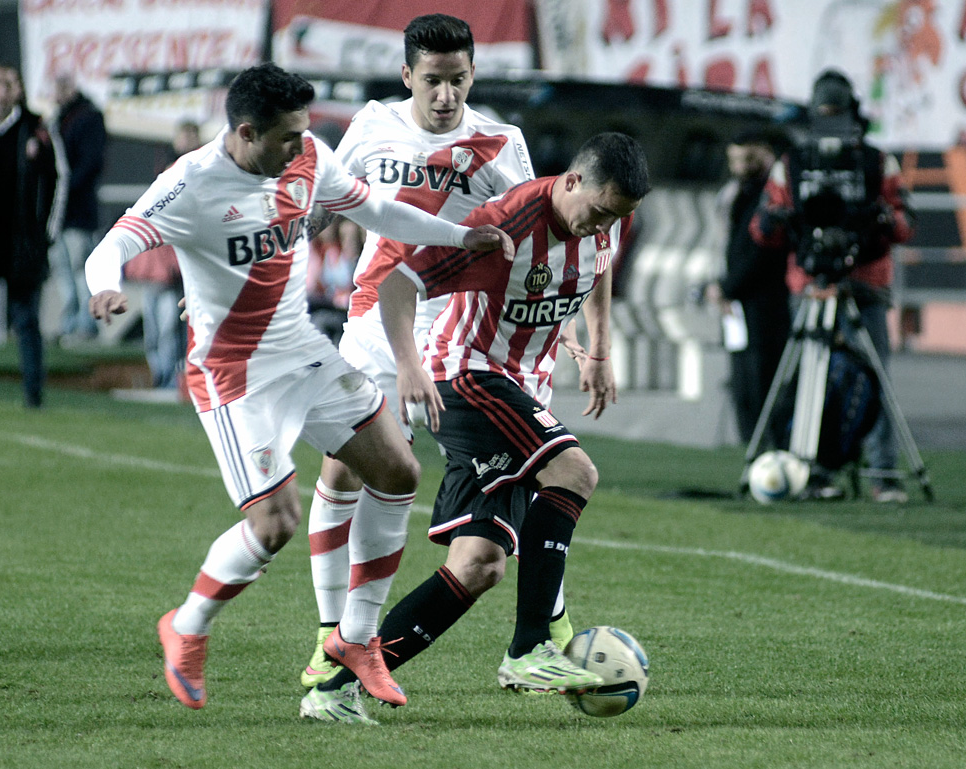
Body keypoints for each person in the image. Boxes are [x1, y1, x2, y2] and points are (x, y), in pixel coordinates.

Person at [84, 62, 512, 711]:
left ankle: (357, 636)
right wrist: (105, 286)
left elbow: (373, 208)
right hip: (233, 373)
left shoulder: (307, 154)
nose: (302, 145)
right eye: (288, 136)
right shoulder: (193, 182)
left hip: (300, 351)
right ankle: (187, 625)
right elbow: (111, 244)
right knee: (275, 521)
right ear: (247, 132)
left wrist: (460, 235)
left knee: (397, 468)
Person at [301, 132, 651, 724]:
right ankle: (530, 647)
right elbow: (398, 283)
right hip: (466, 373)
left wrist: (600, 350)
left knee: (480, 564)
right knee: (574, 471)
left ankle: (333, 690)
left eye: (615, 217)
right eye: (597, 211)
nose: (602, 226)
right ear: (570, 181)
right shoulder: (508, 225)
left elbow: (601, 265)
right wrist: (408, 366)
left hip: (513, 383)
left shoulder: (603, 221)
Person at [297, 14, 587, 699]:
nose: (446, 95)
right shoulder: (371, 125)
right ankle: (331, 632)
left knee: (523, 467)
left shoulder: (500, 143)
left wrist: (557, 319)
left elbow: (538, 231)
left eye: (458, 80)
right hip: (375, 322)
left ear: (473, 76)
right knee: (348, 472)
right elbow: (314, 211)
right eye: (432, 80)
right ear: (407, 77)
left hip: (460, 331)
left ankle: (550, 622)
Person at [751, 69, 915, 503]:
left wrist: (879, 220)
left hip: (865, 285)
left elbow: (904, 222)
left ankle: (884, 473)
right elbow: (762, 228)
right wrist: (775, 222)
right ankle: (813, 471)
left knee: (875, 378)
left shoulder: (877, 162)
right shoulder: (793, 163)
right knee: (810, 380)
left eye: (836, 115)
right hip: (809, 283)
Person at [0, 64, 57, 409]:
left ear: (19, 90)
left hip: (21, 243)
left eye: (10, 84)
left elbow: (56, 179)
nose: (3, 91)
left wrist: (43, 232)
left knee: (26, 322)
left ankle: (33, 395)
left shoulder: (36, 129)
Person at [706, 130, 790, 446]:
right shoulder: (734, 193)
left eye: (749, 157)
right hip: (738, 301)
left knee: (764, 379)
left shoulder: (773, 195)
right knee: (743, 380)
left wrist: (728, 287)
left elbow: (763, 252)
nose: (742, 164)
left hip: (767, 302)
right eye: (736, 158)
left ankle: (771, 448)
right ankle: (753, 449)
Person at [122, 120, 202, 390]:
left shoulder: (200, 172)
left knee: (168, 330)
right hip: (153, 267)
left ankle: (169, 379)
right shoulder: (166, 168)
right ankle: (160, 375)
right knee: (155, 331)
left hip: (172, 271)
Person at [48, 73, 106, 345]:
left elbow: (91, 163)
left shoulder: (88, 117)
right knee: (63, 270)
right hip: (56, 215)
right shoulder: (56, 120)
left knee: (81, 268)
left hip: (78, 213)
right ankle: (70, 323)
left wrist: (65, 190)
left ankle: (87, 325)